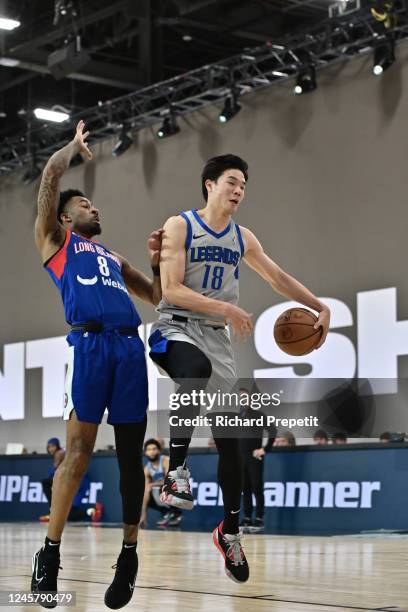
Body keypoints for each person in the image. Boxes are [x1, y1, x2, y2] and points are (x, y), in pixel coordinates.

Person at [148, 154, 330, 583]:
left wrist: (317, 305)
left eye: (244, 185)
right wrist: (227, 307)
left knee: (232, 444)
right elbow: (172, 289)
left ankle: (230, 532)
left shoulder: (242, 236)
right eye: (231, 181)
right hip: (176, 327)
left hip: (218, 338)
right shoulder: (180, 225)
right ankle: (176, 473)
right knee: (193, 366)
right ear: (209, 184)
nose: (239, 190)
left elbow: (277, 277)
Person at [31, 120, 163, 610]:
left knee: (130, 458)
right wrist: (71, 149)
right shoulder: (55, 245)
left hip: (129, 350)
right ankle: (50, 554)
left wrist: (155, 264)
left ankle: (128, 556)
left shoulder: (113, 257)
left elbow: (156, 298)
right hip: (88, 350)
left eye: (93, 203)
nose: (94, 207)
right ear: (65, 219)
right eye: (85, 204)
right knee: (79, 453)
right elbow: (49, 176)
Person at [238, 389, 276, 534]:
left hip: (255, 456)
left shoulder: (258, 415)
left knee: (256, 487)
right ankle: (247, 516)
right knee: (244, 488)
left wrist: (265, 449)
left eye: (245, 397)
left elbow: (272, 431)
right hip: (240, 457)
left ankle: (259, 517)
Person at [140, 439, 182, 528]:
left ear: (159, 450)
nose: (152, 452)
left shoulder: (165, 460)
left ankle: (176, 512)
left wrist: (152, 485)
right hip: (163, 491)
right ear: (145, 452)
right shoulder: (147, 469)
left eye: (154, 449)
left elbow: (170, 480)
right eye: (149, 449)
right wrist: (143, 517)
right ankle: (167, 512)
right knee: (142, 493)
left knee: (163, 488)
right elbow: (146, 491)